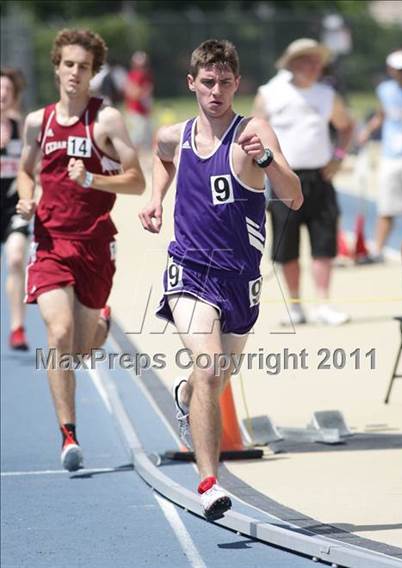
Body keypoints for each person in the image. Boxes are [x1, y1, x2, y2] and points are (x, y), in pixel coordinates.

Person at [139, 39, 302, 519]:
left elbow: (293, 197)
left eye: (224, 83)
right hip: (189, 270)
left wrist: (268, 162)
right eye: (207, 82)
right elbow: (162, 154)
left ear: (237, 84)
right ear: (192, 83)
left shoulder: (254, 130)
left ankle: (186, 395)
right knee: (210, 367)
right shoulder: (177, 134)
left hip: (241, 279)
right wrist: (155, 198)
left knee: (217, 377)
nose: (215, 91)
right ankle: (208, 481)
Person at [17, 29, 145, 471]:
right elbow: (25, 171)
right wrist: (26, 195)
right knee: (57, 334)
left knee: (79, 347)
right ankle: (68, 435)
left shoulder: (105, 120)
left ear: (93, 73)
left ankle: (101, 329)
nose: (75, 73)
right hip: (51, 242)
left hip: (94, 244)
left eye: (84, 66)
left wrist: (91, 179)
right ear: (56, 67)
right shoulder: (39, 121)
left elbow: (137, 180)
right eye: (68, 64)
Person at [253, 38, 354, 325]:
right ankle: (295, 305)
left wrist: (337, 156)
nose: (314, 66)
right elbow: (254, 132)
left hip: (319, 176)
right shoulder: (270, 93)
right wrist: (264, 166)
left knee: (324, 241)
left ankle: (323, 303)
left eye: (317, 61)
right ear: (293, 64)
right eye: (308, 61)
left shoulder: (326, 94)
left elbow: (346, 127)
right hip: (283, 176)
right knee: (288, 244)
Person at [358, 50, 402, 262]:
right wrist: (367, 131)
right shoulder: (384, 90)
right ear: (391, 70)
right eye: (400, 69)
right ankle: (378, 250)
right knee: (386, 205)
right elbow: (382, 114)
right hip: (391, 154)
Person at [1, 68, 31, 350]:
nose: (1, 94)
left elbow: (34, 169)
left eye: (7, 90)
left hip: (12, 209)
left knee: (14, 259)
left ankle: (17, 327)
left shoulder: (21, 128)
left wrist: (33, 197)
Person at [124, 51, 154, 153]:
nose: (143, 68)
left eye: (144, 65)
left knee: (147, 141)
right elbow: (131, 92)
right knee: (136, 140)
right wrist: (142, 92)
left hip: (144, 112)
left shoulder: (147, 75)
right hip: (135, 112)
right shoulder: (133, 75)